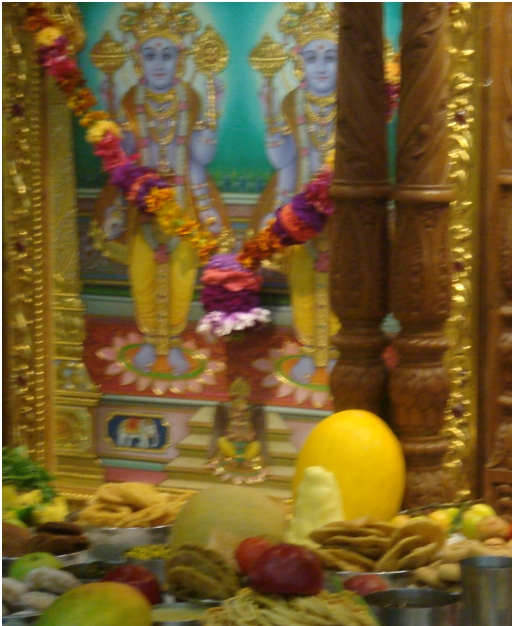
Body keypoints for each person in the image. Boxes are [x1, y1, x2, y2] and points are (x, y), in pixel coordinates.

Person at [93, 4, 229, 377]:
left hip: (183, 205)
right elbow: (122, 158)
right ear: (138, 59)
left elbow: (201, 156)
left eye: (167, 55)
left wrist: (213, 112)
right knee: (142, 277)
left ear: (180, 60)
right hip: (140, 208)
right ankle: (152, 343)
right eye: (150, 55)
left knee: (182, 278)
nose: (159, 63)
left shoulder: (191, 97)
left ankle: (172, 342)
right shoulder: (130, 100)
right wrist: (113, 125)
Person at [249, 3, 339, 388]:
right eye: (312, 57)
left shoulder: (355, 103)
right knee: (302, 280)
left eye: (330, 57)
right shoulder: (291, 102)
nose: (321, 66)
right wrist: (271, 118)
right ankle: (310, 348)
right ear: (299, 62)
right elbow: (285, 161)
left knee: (343, 280)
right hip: (301, 209)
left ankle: (336, 349)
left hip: (343, 212)